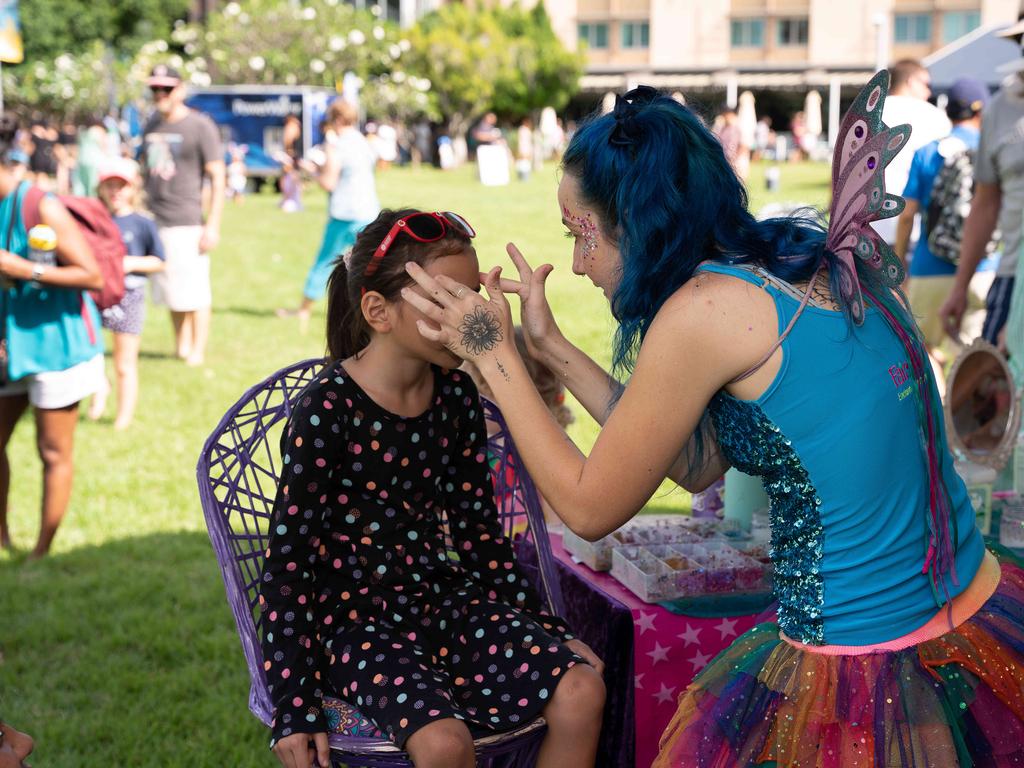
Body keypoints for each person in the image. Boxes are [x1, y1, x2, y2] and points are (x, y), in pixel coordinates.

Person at [402, 78, 1024, 766]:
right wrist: (551, 349)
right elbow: (694, 461)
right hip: (963, 611)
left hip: (869, 659)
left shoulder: (704, 310)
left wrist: (494, 355)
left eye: (580, 235)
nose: (578, 266)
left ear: (639, 220)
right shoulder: (779, 265)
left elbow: (587, 505)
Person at [260, 208, 606, 768]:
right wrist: (294, 702)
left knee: (581, 689)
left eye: (471, 296)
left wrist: (546, 629)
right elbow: (288, 567)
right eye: (446, 298)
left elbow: (479, 538)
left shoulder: (456, 397)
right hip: (354, 626)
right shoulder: (327, 410)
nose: (468, 315)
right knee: (444, 744)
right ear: (378, 310)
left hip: (439, 601)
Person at [0, 115, 104, 558]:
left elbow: (92, 275)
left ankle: (43, 551)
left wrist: (25, 269)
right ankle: (2, 535)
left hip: (57, 347)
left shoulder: (39, 205)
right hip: (9, 345)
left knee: (52, 451)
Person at [895, 77, 994, 388]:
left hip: (929, 267)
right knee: (973, 353)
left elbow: (907, 214)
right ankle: (960, 421)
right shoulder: (991, 151)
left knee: (924, 351)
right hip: (984, 268)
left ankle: (937, 412)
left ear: (948, 112)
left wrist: (900, 262)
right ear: (981, 113)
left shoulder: (927, 152)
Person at [940, 37, 1024, 348]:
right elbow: (985, 204)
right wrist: (960, 287)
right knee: (992, 383)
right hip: (1012, 275)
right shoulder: (999, 110)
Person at [141, 63, 225, 367]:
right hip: (154, 218)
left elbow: (217, 175)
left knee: (194, 291)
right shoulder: (151, 124)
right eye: (155, 88)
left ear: (181, 89)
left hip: (187, 220)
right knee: (169, 290)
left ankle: (197, 350)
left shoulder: (200, 126)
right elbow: (144, 169)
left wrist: (212, 224)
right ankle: (181, 345)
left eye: (166, 88)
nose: (159, 94)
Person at [276, 100, 379, 327]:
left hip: (344, 213)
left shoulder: (337, 145)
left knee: (325, 261)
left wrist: (310, 171)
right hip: (369, 210)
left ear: (337, 120)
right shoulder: (363, 142)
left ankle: (303, 310)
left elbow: (328, 183)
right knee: (372, 265)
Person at [87, 158, 166, 430]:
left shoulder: (143, 224)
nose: (115, 191)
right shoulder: (94, 220)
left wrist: (128, 264)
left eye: (121, 186)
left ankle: (123, 416)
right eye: (109, 185)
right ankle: (99, 394)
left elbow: (159, 261)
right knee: (90, 356)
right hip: (95, 294)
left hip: (129, 296)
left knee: (124, 363)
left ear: (132, 189)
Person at [874, 59, 951, 248]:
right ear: (912, 81)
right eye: (927, 84)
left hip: (864, 225)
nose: (929, 91)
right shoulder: (935, 116)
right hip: (913, 225)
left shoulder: (869, 111)